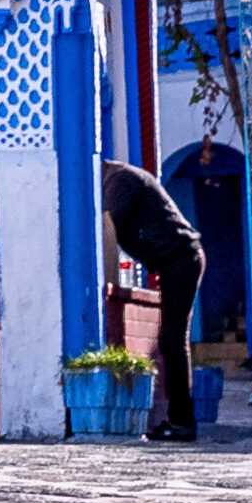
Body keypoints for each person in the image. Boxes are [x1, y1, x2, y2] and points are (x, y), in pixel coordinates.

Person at [103, 158, 207, 442]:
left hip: (180, 259)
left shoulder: (118, 180)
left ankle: (182, 422)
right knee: (171, 341)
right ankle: (180, 419)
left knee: (172, 341)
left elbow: (107, 229)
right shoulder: (118, 177)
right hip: (176, 261)